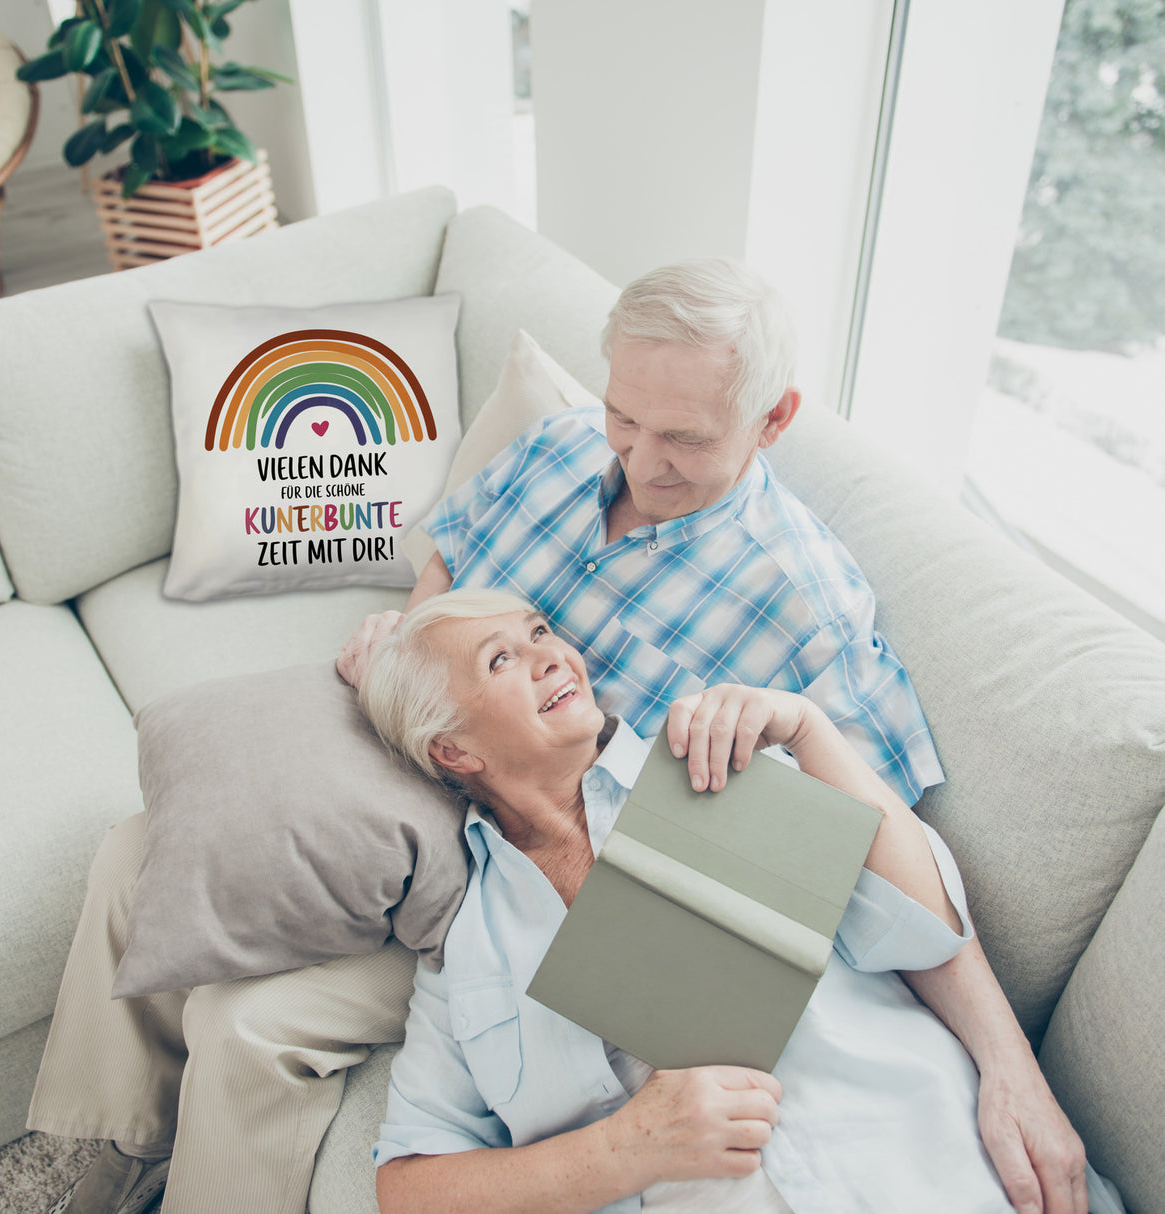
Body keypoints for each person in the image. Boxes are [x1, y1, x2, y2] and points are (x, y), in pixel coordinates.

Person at [340, 259, 1087, 1213]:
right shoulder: (559, 450)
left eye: (683, 438)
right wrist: (413, 657)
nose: (640, 463)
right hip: (443, 835)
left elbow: (896, 887)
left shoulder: (780, 663)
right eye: (625, 418)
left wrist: (1009, 1069)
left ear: (773, 420)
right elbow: (453, 550)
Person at [358, 588, 1110, 1214]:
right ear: (453, 750)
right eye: (501, 659)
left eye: (540, 632)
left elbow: (923, 928)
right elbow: (409, 1187)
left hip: (937, 1166)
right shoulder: (468, 952)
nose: (552, 655)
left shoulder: (713, 761)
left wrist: (809, 730)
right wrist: (626, 1149)